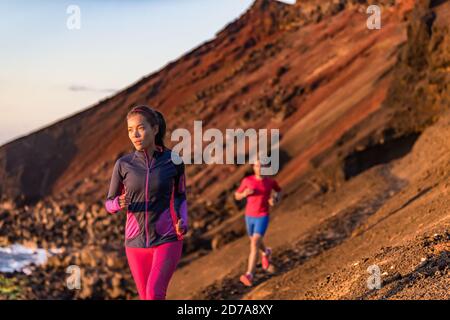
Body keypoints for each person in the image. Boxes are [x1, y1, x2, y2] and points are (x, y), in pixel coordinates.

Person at [104, 105, 188, 300]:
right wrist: (118, 203)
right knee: (145, 297)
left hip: (167, 238)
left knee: (153, 294)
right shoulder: (123, 165)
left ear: (155, 129)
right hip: (135, 244)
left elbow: (180, 195)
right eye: (130, 130)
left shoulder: (173, 161)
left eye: (140, 128)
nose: (135, 135)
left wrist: (183, 220)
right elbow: (108, 203)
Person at [234, 159, 281, 286]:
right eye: (257, 166)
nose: (259, 168)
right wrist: (243, 194)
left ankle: (249, 274)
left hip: (262, 216)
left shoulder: (270, 182)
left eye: (262, 166)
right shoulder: (247, 181)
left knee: (254, 243)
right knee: (255, 242)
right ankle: (266, 252)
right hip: (249, 216)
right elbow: (236, 195)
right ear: (253, 167)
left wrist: (274, 200)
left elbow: (278, 191)